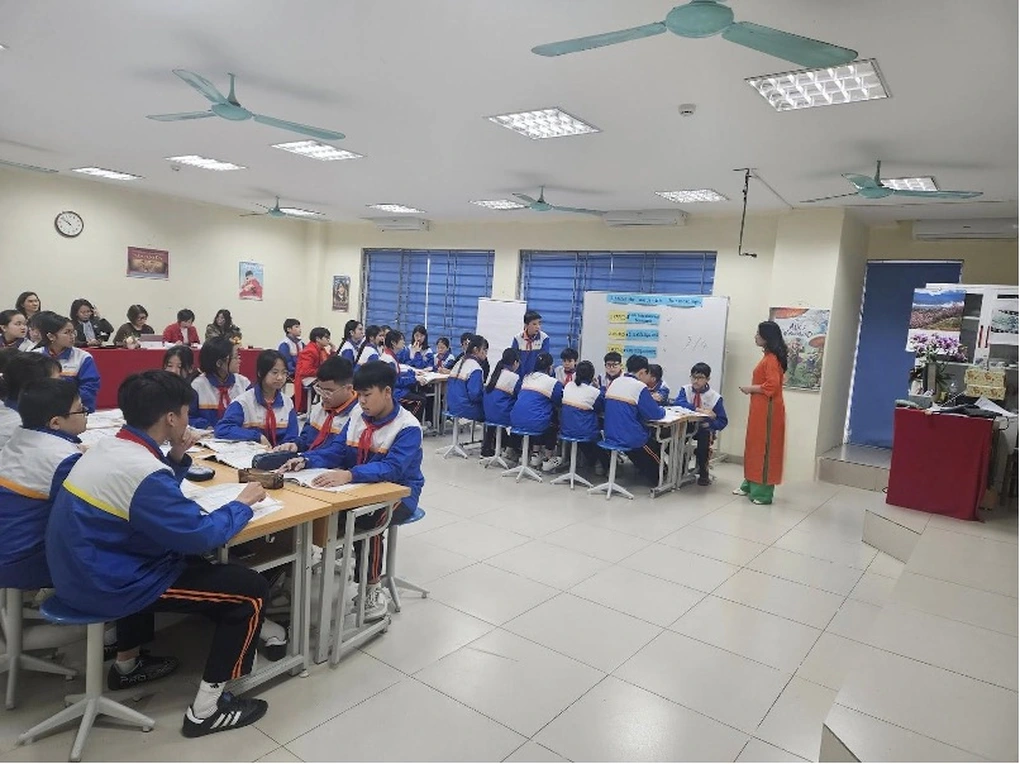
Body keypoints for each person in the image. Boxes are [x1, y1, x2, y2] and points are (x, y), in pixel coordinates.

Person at [46, 370, 270, 736]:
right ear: (171, 418)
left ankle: (127, 666)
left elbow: (144, 498)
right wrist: (242, 503)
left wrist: (177, 457)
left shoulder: (111, 447)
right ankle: (207, 710)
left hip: (80, 568)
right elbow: (200, 536)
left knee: (176, 554)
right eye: (185, 412)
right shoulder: (143, 471)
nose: (187, 419)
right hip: (109, 582)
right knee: (250, 590)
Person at [280, 361, 424, 622]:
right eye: (359, 395)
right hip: (358, 486)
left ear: (387, 392)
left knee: (370, 517)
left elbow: (392, 469)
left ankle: (371, 588)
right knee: (307, 506)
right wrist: (307, 459)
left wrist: (349, 474)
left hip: (400, 492)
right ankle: (289, 575)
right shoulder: (358, 415)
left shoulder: (407, 427)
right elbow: (337, 449)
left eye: (367, 395)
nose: (362, 401)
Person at [0, 378, 87, 589]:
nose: (87, 412)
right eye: (80, 409)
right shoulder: (63, 460)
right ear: (55, 423)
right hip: (21, 563)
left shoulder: (19, 437)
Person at [735, 321, 787, 505]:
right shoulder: (767, 357)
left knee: (764, 449)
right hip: (760, 409)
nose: (755, 336)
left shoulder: (771, 359)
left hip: (768, 411)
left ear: (767, 337)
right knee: (754, 445)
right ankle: (750, 483)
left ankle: (763, 493)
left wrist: (750, 388)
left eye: (758, 333)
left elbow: (772, 386)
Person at [603, 355, 666, 486]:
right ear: (642, 372)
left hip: (609, 434)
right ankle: (662, 477)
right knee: (653, 444)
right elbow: (654, 414)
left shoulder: (615, 382)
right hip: (629, 436)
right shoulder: (639, 387)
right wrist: (663, 410)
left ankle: (644, 471)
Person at [276, 356, 359, 454]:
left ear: (348, 388)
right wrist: (296, 445)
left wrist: (308, 458)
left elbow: (339, 453)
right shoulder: (319, 408)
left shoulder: (357, 415)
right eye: (320, 389)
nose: (323, 396)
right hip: (310, 459)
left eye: (328, 392)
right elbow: (306, 438)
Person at [216, 350, 297, 446]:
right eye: (275, 372)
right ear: (260, 373)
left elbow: (292, 436)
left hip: (280, 453)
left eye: (284, 373)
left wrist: (288, 446)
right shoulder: (243, 402)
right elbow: (223, 429)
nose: (280, 377)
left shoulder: (287, 403)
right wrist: (257, 436)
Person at [33, 311, 101, 413]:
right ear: (51, 336)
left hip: (75, 410)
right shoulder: (35, 356)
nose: (72, 336)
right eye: (67, 332)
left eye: (73, 332)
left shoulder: (83, 357)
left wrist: (65, 402)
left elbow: (90, 387)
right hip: (42, 409)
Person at [675, 362, 729, 487]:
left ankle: (703, 472)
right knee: (673, 441)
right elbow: (678, 403)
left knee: (704, 445)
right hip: (686, 425)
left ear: (707, 379)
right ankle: (681, 465)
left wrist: (711, 421)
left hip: (704, 427)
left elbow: (722, 421)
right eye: (693, 377)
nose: (695, 381)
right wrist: (698, 409)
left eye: (700, 378)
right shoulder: (685, 390)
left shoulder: (715, 397)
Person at [510, 351, 563, 472]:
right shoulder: (553, 382)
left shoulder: (526, 377)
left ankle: (535, 454)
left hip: (515, 420)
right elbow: (559, 401)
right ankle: (548, 458)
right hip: (535, 423)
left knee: (537, 413)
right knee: (552, 419)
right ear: (550, 367)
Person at [0, 351, 61, 448]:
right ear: (36, 388)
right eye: (56, 381)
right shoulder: (24, 428)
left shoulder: (10, 409)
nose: (61, 386)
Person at [560, 360, 610, 475]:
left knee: (584, 432)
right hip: (584, 432)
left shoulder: (568, 386)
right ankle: (606, 466)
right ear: (592, 376)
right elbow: (600, 408)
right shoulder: (594, 392)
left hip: (565, 430)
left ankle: (591, 462)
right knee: (599, 438)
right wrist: (601, 388)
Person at [189, 338, 250, 429]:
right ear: (219, 363)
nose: (239, 361)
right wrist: (205, 426)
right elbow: (189, 417)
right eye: (235, 357)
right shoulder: (198, 385)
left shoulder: (244, 383)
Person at [482, 348, 521, 460]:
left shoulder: (495, 374)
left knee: (497, 410)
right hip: (501, 416)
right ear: (515, 363)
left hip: (487, 414)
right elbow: (520, 396)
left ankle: (488, 447)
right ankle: (512, 449)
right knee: (521, 417)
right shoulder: (514, 377)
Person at [380, 330, 428, 420]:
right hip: (393, 392)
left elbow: (397, 374)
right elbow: (395, 381)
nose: (404, 342)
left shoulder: (391, 355)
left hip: (395, 389)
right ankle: (410, 423)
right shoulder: (389, 359)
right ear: (393, 343)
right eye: (401, 339)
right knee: (420, 401)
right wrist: (414, 379)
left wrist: (413, 376)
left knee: (421, 395)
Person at [446, 335, 488, 423]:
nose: (486, 353)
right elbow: (475, 395)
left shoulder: (459, 362)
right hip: (466, 409)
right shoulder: (475, 368)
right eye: (484, 350)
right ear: (476, 350)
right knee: (492, 411)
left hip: (451, 406)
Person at [294, 327, 332, 413]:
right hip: (305, 378)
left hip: (314, 375)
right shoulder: (310, 350)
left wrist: (333, 350)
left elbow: (329, 363)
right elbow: (305, 371)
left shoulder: (322, 350)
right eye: (326, 337)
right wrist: (323, 372)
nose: (328, 340)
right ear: (317, 338)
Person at [511, 310, 550, 377]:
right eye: (534, 324)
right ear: (526, 325)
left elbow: (545, 360)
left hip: (537, 377)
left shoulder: (544, 338)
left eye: (539, 324)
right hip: (520, 376)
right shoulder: (517, 339)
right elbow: (514, 360)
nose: (538, 327)